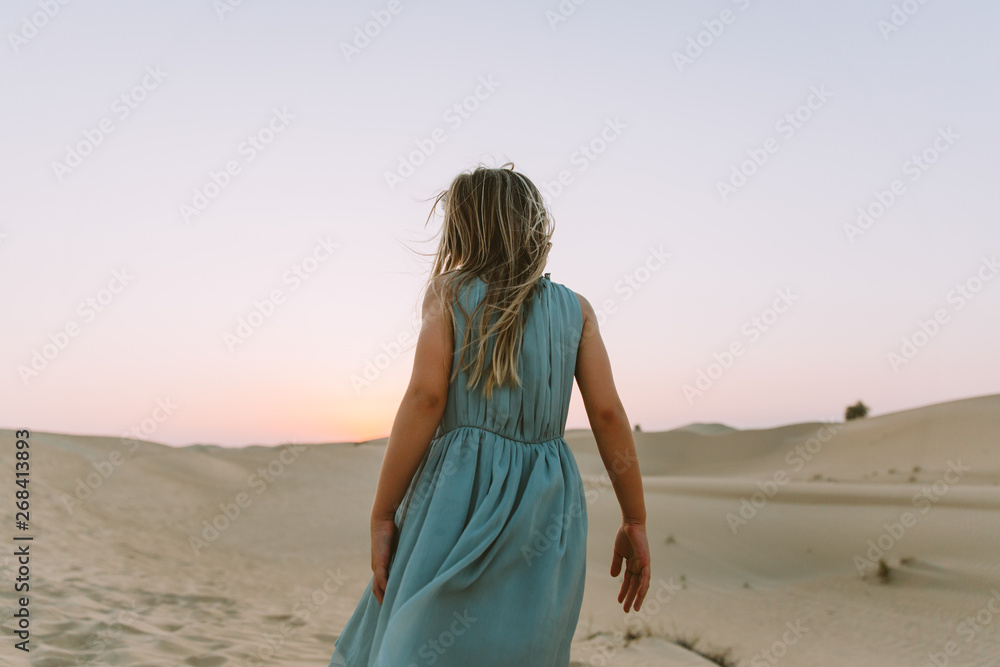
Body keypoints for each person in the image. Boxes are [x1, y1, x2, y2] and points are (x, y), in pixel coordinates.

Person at [328, 164, 650, 666]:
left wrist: (382, 513)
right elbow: (607, 414)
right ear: (532, 225)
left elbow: (425, 400)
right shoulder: (576, 309)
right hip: (547, 501)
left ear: (462, 228)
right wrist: (635, 518)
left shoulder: (450, 294)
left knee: (420, 638)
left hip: (458, 494)